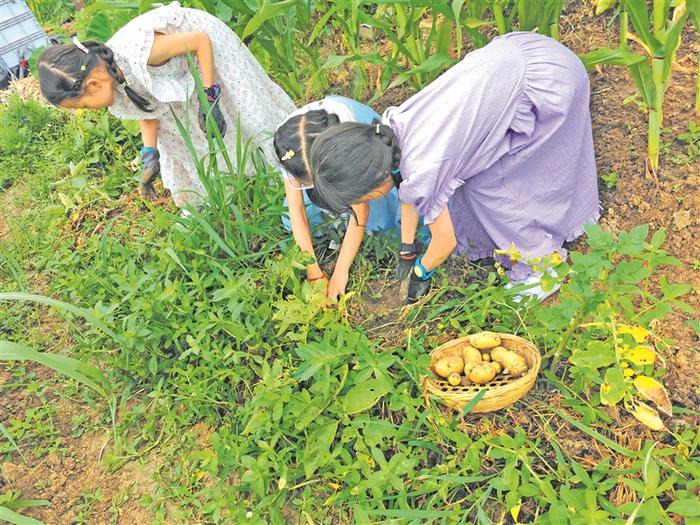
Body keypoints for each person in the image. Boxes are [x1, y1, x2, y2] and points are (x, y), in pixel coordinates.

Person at [306, 32, 600, 303]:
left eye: (365, 197)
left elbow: (445, 241)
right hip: (522, 55)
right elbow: (405, 187)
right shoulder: (387, 131)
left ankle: (543, 268)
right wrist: (407, 251)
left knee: (491, 187)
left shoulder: (423, 169)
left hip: (547, 81)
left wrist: (422, 272)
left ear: (372, 181)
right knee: (480, 179)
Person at [36, 1, 295, 207]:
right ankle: (238, 183)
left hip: (206, 47)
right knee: (185, 136)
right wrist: (150, 155)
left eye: (82, 106)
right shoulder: (113, 79)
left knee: (244, 110)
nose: (85, 111)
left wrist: (211, 97)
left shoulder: (140, 53)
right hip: (179, 68)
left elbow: (200, 41)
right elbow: (148, 110)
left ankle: (288, 167)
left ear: (93, 85)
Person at [274, 97, 401, 301]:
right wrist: (314, 272)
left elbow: (361, 210)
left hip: (366, 162)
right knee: (293, 220)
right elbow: (296, 210)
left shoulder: (345, 145)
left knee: (383, 222)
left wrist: (341, 272)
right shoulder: (288, 147)